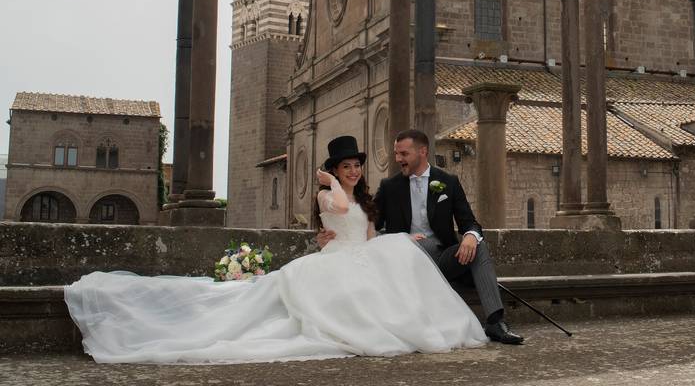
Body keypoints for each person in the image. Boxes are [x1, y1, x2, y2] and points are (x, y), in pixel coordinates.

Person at [63, 135, 487, 364]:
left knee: (395, 263)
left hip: (361, 256)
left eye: (357, 166)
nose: (354, 171)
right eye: (347, 167)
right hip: (336, 260)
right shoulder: (330, 196)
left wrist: (391, 243)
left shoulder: (366, 197)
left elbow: (372, 235)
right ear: (334, 170)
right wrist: (331, 183)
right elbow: (338, 209)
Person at [318, 129, 524, 345]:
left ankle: (495, 321)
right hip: (406, 259)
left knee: (479, 245)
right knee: (417, 245)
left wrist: (471, 236)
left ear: (422, 152)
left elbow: (469, 222)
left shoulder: (448, 182)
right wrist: (330, 237)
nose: (398, 159)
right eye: (396, 154)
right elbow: (366, 221)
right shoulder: (390, 187)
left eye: (404, 154)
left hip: (442, 258)